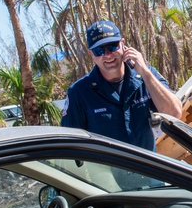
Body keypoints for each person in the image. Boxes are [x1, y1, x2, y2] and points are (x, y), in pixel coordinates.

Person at [60, 20, 182, 150]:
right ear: (91, 54)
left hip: (147, 168)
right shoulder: (79, 92)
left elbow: (174, 113)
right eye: (99, 50)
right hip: (106, 169)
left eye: (112, 46)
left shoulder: (147, 77)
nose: (107, 54)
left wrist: (145, 73)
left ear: (123, 44)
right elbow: (71, 144)